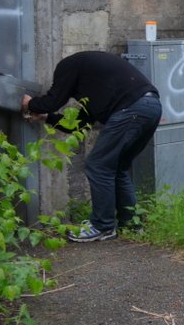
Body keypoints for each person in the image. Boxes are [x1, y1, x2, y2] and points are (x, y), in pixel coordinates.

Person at [23, 51, 162, 243]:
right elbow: (78, 124)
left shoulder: (67, 66)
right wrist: (48, 118)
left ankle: (102, 226)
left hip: (131, 109)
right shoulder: (97, 87)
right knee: (118, 167)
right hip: (151, 106)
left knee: (98, 165)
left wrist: (30, 103)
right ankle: (130, 224)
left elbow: (52, 101)